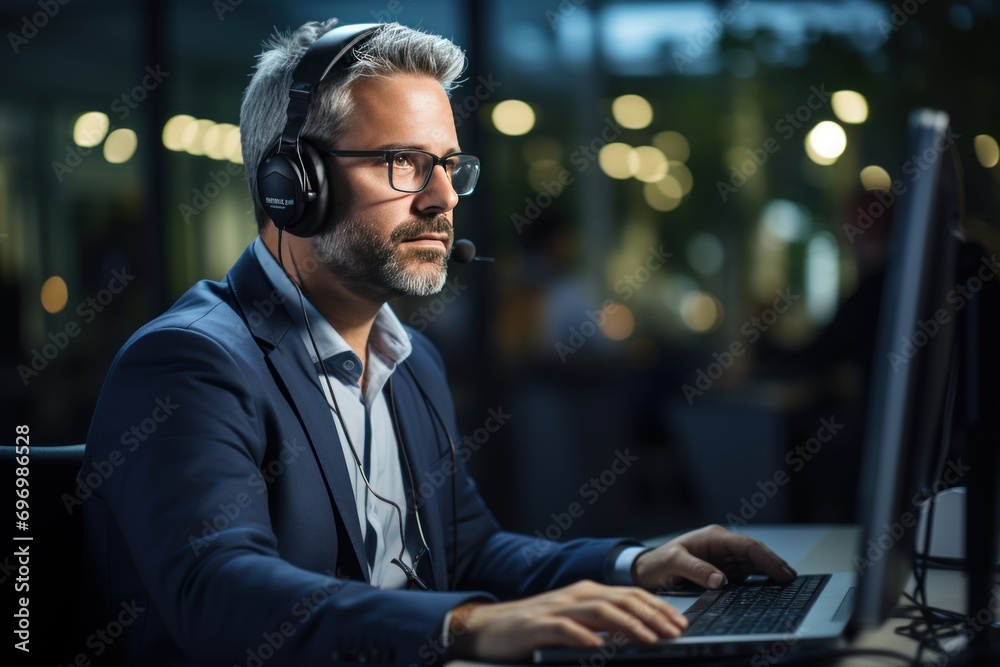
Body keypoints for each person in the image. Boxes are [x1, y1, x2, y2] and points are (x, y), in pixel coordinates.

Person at [80, 19, 796, 666]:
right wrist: (466, 626)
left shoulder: (411, 361)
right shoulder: (190, 361)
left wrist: (635, 563)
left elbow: (471, 549)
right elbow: (218, 589)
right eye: (403, 162)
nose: (443, 198)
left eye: (449, 165)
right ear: (291, 184)